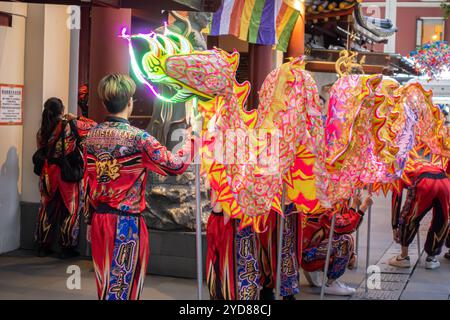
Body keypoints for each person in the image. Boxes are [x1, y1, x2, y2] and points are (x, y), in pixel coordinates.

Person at [83, 74, 200, 300]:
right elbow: (175, 165)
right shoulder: (139, 139)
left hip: (99, 220)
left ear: (105, 102)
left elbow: (88, 183)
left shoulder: (91, 137)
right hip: (125, 223)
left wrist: (89, 219)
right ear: (130, 102)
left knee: (106, 284)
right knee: (123, 286)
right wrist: (192, 140)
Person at [35, 97, 96, 258]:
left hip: (48, 173)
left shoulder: (41, 130)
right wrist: (76, 117)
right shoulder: (69, 125)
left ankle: (42, 245)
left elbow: (41, 150)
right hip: (66, 172)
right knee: (71, 209)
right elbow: (93, 126)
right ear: (62, 110)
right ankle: (67, 246)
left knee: (46, 209)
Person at [301, 193, 372, 296]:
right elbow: (346, 227)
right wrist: (363, 208)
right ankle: (330, 283)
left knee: (346, 239)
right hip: (309, 256)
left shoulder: (317, 200)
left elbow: (343, 220)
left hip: (307, 252)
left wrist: (353, 205)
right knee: (345, 241)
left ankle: (313, 272)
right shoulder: (325, 206)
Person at [389, 161, 450, 269]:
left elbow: (396, 199)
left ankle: (404, 257)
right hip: (444, 181)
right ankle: (431, 258)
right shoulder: (418, 162)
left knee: (409, 217)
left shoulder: (397, 171)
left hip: (424, 181)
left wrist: (394, 226)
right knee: (442, 219)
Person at [206, 190, 261, 300]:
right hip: (229, 227)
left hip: (243, 226)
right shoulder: (221, 181)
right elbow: (216, 209)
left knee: (246, 274)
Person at [257, 202, 301, 300]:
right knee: (264, 246)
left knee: (285, 247)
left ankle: (287, 293)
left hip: (285, 204)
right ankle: (266, 288)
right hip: (265, 204)